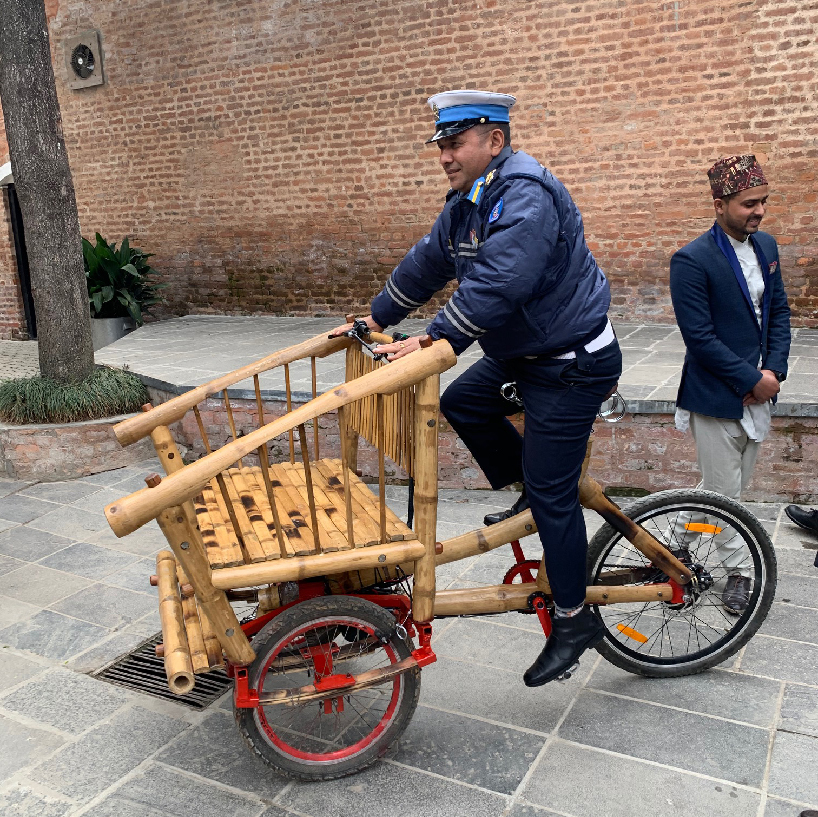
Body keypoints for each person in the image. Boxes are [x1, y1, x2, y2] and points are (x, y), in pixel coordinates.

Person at [330, 90, 622, 686]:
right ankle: (533, 492)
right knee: (463, 402)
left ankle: (574, 621)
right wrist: (375, 317)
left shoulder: (526, 194)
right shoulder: (471, 198)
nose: (444, 156)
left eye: (455, 143)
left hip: (570, 362)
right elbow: (428, 261)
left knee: (555, 494)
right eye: (440, 145)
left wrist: (439, 338)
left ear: (494, 140)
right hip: (524, 354)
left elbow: (501, 280)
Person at [670, 155, 791, 614]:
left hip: (759, 390)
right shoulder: (691, 259)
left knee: (717, 487)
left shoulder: (767, 246)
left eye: (763, 201)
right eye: (749, 204)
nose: (759, 211)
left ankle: (671, 546)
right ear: (719, 205)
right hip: (714, 393)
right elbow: (699, 338)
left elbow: (779, 313)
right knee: (727, 496)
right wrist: (750, 379)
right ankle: (738, 572)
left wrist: (773, 373)